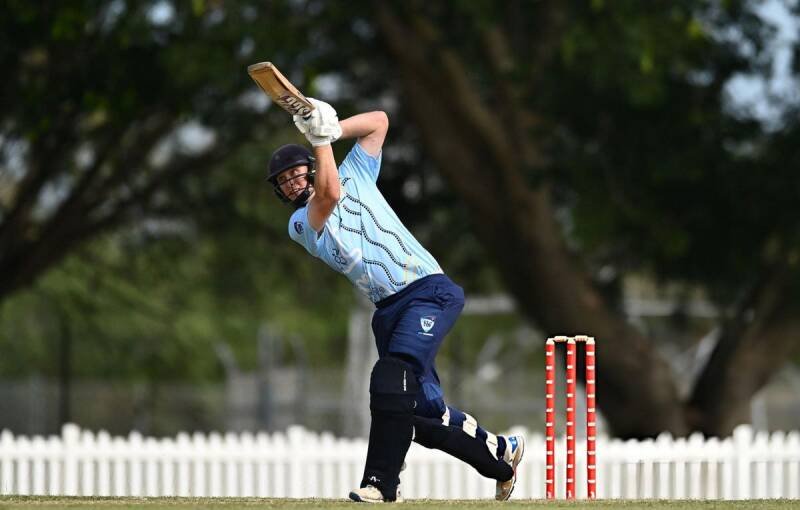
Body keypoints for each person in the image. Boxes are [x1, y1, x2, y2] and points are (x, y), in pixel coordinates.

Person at [267, 98, 525, 502]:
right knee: (419, 414)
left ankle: (381, 484)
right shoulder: (300, 224)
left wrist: (332, 131)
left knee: (390, 377)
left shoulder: (356, 171)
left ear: (312, 168)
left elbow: (379, 123)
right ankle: (500, 456)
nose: (291, 184)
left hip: (428, 291)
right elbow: (329, 195)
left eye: (296, 174)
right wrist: (319, 140)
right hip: (388, 311)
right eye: (283, 181)